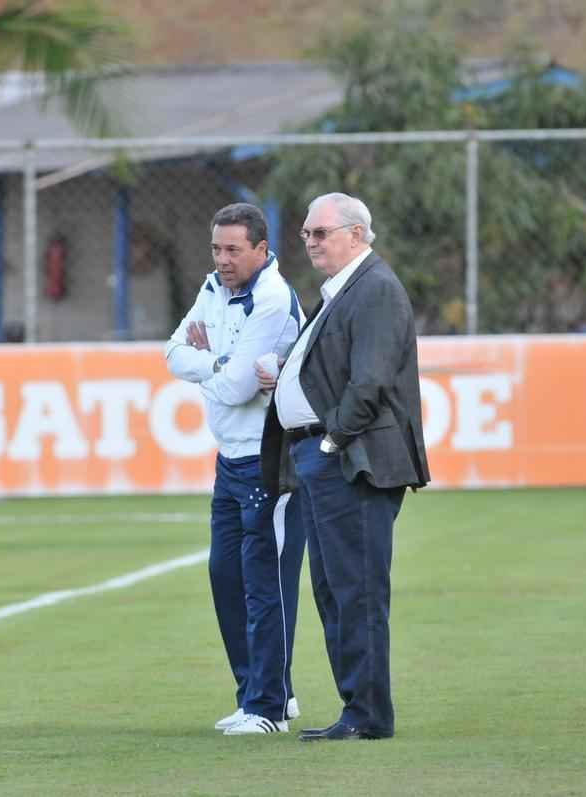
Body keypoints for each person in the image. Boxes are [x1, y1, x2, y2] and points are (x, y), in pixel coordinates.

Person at [256, 192, 430, 741]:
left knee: (356, 590)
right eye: (306, 234)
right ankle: (356, 709)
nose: (309, 242)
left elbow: (370, 379)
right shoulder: (344, 290)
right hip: (324, 459)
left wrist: (331, 442)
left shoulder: (374, 288)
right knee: (334, 590)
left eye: (320, 233)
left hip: (351, 462)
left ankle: (368, 715)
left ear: (356, 234)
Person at [165, 202, 306, 735]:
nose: (222, 259)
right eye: (216, 249)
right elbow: (173, 352)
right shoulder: (212, 288)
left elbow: (239, 387)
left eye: (233, 250)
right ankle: (257, 694)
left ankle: (269, 707)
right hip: (228, 457)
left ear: (261, 250)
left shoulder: (271, 298)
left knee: (264, 582)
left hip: (269, 458)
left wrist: (210, 365)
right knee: (225, 575)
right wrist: (222, 363)